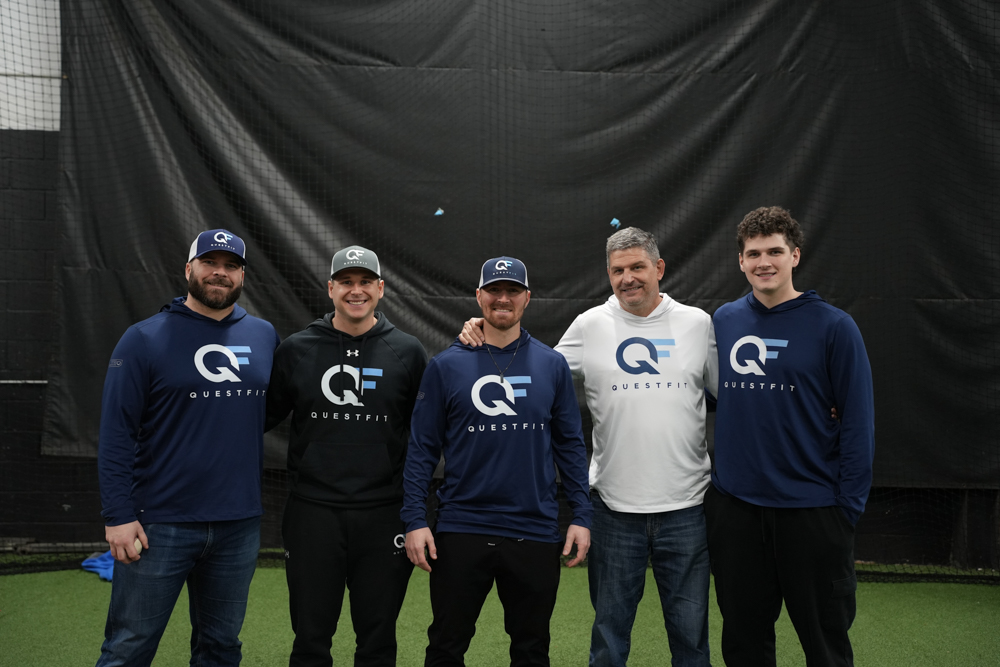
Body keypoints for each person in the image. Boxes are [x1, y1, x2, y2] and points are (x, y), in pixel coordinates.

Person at [461, 229, 718, 667]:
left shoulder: (697, 323)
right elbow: (534, 369)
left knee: (691, 640)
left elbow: (731, 394)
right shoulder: (590, 324)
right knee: (609, 639)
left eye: (637, 267)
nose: (627, 278)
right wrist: (480, 329)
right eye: (617, 270)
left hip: (687, 508)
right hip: (613, 510)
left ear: (658, 268)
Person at [96, 229, 280, 667]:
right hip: (160, 523)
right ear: (188, 269)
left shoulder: (263, 335)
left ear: (242, 276)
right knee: (128, 648)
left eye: (231, 266)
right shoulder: (143, 338)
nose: (220, 273)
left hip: (238, 524)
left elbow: (265, 411)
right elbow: (116, 433)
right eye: (209, 262)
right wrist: (118, 515)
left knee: (221, 647)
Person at [705, 206, 875, 667]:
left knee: (825, 646)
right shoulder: (723, 321)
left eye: (775, 251)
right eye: (754, 253)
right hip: (736, 511)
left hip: (812, 513)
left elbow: (858, 424)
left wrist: (845, 512)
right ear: (741, 261)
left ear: (795, 255)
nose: (764, 262)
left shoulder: (835, 327)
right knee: (744, 644)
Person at [402, 256, 593, 667]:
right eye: (494, 290)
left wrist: (582, 514)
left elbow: (570, 446)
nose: (502, 298)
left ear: (527, 298)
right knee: (445, 647)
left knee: (531, 649)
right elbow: (421, 450)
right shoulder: (445, 366)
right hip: (462, 527)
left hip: (534, 529)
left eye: (512, 291)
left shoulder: (552, 364)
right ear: (479, 296)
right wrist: (415, 519)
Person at [266, 245, 428, 666]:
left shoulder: (408, 351)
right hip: (312, 514)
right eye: (346, 282)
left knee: (377, 641)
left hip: (384, 515)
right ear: (330, 288)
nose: (356, 291)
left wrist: (417, 513)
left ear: (381, 288)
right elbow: (258, 418)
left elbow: (426, 436)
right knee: (310, 639)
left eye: (365, 282)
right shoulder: (296, 349)